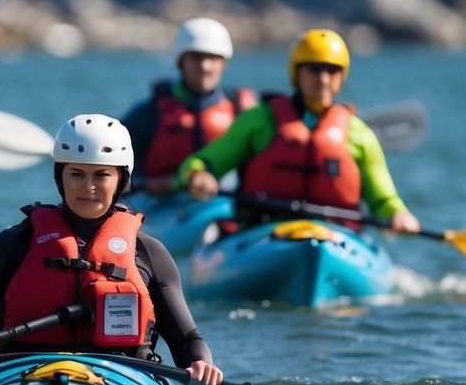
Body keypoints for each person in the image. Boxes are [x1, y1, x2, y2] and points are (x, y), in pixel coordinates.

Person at [0, 113, 224, 385]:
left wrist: (201, 363)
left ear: (121, 179)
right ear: (60, 177)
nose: (88, 187)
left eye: (101, 175)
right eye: (77, 174)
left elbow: (187, 340)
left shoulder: (148, 253)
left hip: (121, 380)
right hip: (24, 377)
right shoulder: (15, 243)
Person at [177, 29, 421, 233]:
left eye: (331, 70)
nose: (323, 79)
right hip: (265, 229)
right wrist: (197, 176)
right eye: (314, 69)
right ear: (297, 73)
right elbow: (201, 162)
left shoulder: (358, 133)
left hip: (335, 236)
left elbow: (382, 199)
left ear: (342, 76)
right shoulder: (260, 119)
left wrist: (398, 215)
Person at [121, 18, 256, 196]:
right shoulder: (149, 113)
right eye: (196, 57)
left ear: (224, 64)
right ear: (181, 61)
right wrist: (146, 183)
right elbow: (116, 170)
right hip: (155, 205)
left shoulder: (241, 112)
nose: (205, 66)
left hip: (219, 206)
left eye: (213, 58)